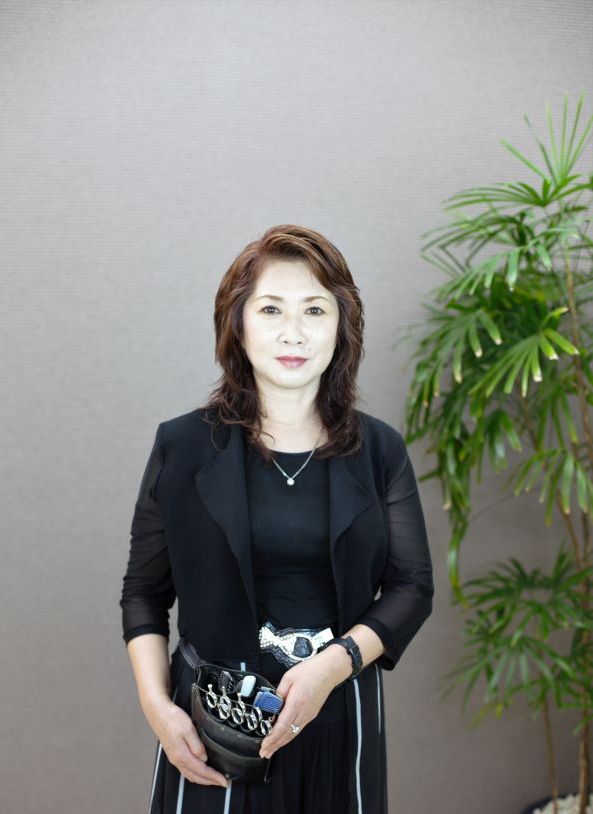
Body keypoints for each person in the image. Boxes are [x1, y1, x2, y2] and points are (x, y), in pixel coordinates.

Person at [120, 224, 434, 814]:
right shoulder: (181, 446)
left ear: (341, 327)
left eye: (314, 309)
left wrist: (332, 667)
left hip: (340, 712)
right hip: (212, 724)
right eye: (270, 309)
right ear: (237, 325)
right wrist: (158, 708)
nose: (294, 332)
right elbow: (143, 593)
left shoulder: (380, 450)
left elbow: (412, 587)